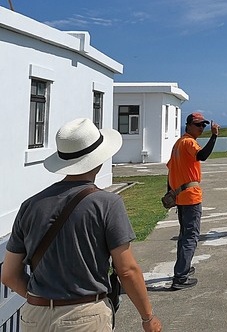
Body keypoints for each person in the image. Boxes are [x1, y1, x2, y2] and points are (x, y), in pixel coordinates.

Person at [0, 118, 162, 332]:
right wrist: (147, 317)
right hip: (84, 315)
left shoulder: (30, 205)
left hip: (34, 316)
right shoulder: (107, 204)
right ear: (99, 159)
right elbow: (127, 270)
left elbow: (9, 275)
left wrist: (41, 301)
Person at [166, 112, 219, 290]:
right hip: (190, 197)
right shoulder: (189, 142)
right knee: (190, 236)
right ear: (188, 125)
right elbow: (202, 155)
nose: (201, 128)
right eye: (198, 125)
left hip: (181, 197)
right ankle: (180, 277)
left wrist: (171, 194)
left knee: (184, 235)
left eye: (203, 125)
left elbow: (170, 170)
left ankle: (183, 268)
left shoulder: (178, 144)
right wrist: (214, 136)